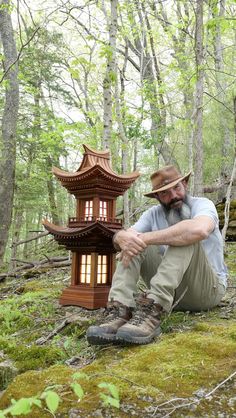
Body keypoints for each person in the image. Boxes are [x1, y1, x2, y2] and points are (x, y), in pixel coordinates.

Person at [86, 165, 228, 345]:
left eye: (176, 187)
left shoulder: (202, 204)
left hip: (207, 291)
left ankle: (153, 312)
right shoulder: (152, 214)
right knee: (132, 243)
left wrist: (143, 238)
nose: (174, 196)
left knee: (185, 234)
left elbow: (199, 230)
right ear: (157, 197)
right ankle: (119, 309)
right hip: (173, 293)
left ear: (185, 184)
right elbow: (126, 237)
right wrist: (120, 236)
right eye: (165, 193)